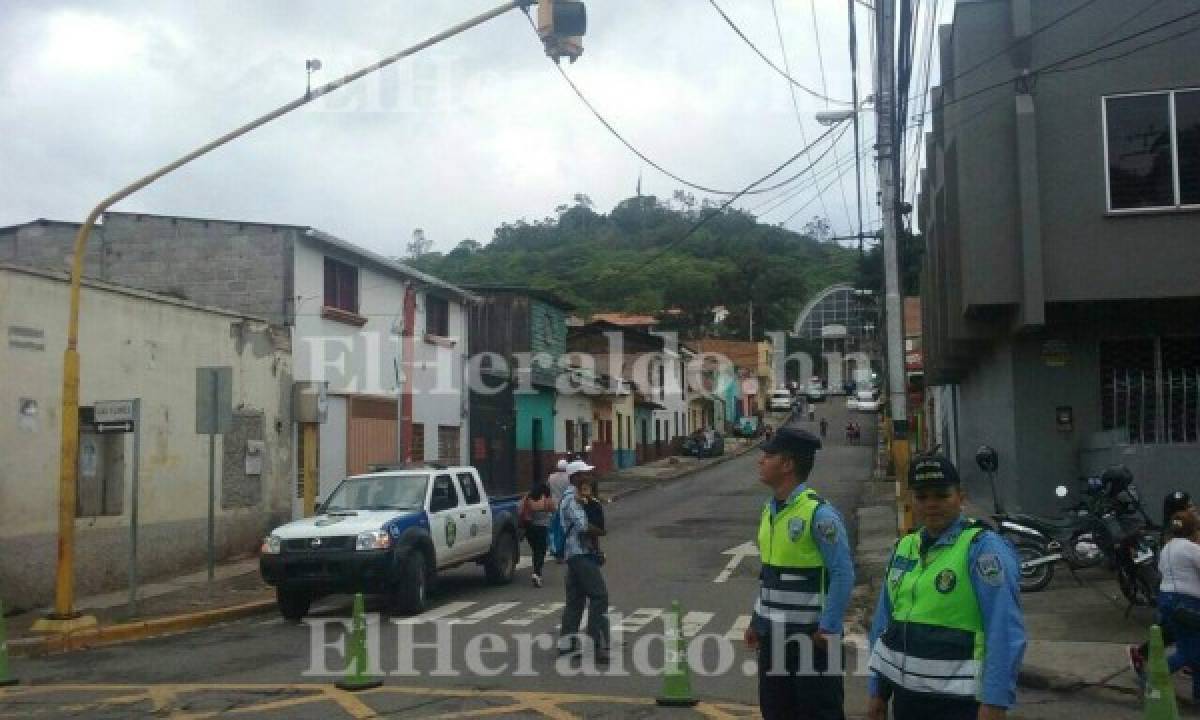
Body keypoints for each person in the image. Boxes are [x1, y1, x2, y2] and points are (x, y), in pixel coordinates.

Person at [867, 455, 1026, 720]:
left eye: (941, 495)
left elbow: (1005, 631)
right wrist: (877, 692)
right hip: (907, 702)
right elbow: (884, 625)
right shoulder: (904, 548)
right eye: (922, 496)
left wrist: (995, 702)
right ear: (910, 500)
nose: (931, 504)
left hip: (961, 705)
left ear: (960, 497)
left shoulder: (983, 549)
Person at [744, 424, 855, 720]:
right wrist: (756, 620)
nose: (761, 461)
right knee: (776, 712)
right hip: (773, 640)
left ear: (788, 464)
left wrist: (829, 627)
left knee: (818, 712)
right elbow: (770, 575)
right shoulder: (770, 511)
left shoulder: (820, 514)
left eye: (768, 455)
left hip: (812, 641)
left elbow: (843, 573)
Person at [1130, 505, 1200, 694]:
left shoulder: (1167, 548)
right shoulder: (1192, 549)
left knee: (1191, 647)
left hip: (1168, 601)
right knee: (1190, 651)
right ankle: (1152, 680)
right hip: (1187, 603)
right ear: (1193, 529)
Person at [557, 459, 610, 662]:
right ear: (575, 477)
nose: (589, 476)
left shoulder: (581, 496)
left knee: (575, 600)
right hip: (580, 554)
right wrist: (601, 531)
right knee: (599, 596)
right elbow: (583, 526)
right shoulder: (572, 499)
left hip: (577, 554)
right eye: (584, 473)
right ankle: (596, 644)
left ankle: (567, 644)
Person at [520, 480, 556, 587]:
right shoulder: (545, 499)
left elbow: (520, 510)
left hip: (529, 528)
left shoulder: (527, 498)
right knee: (541, 551)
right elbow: (553, 509)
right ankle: (537, 573)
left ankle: (537, 572)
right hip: (542, 528)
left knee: (535, 550)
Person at [547, 459, 571, 560]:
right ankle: (561, 550)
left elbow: (548, 489)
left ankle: (553, 548)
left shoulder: (551, 477)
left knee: (553, 529)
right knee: (563, 529)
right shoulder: (569, 478)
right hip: (565, 505)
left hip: (554, 505)